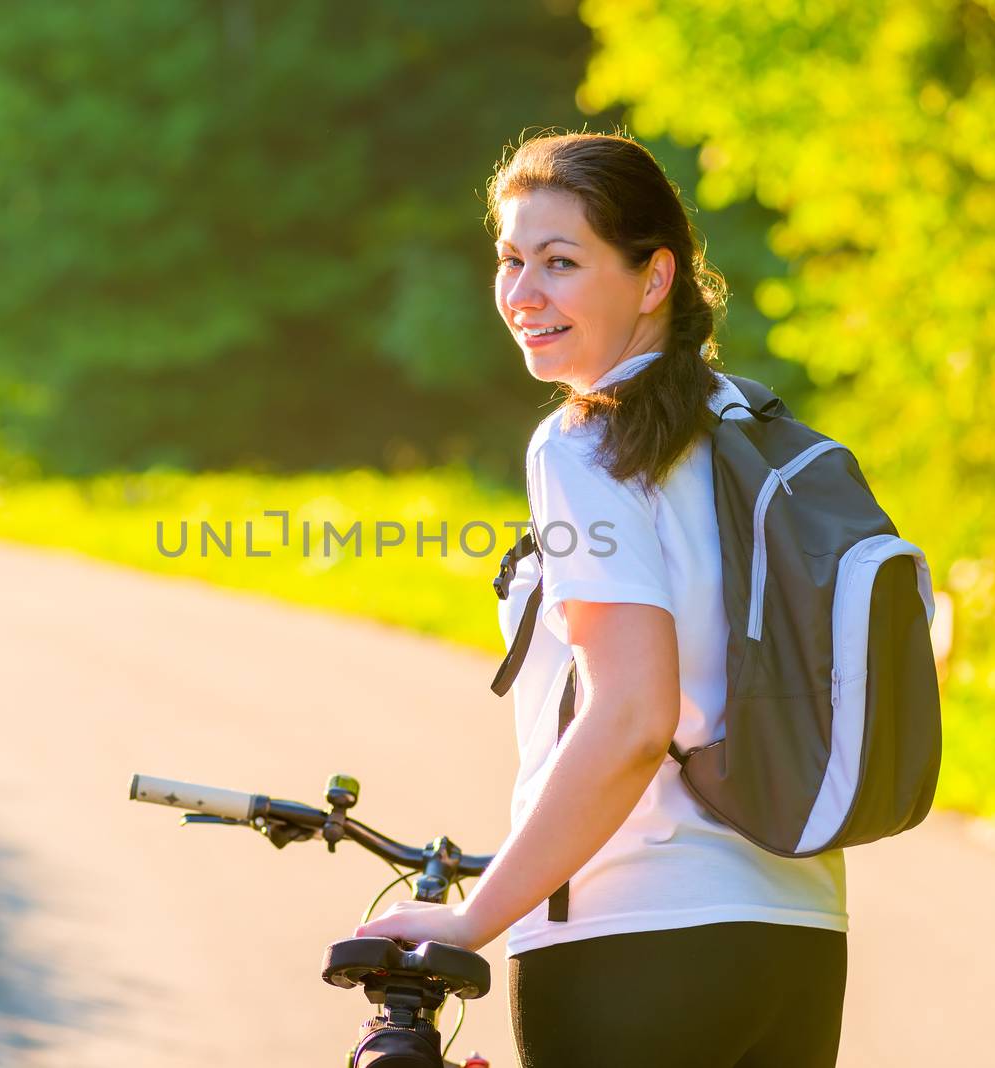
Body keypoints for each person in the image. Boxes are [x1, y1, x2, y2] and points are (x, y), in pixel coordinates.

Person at [353, 131, 850, 1066]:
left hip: (633, 940)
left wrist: (475, 915)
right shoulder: (752, 434)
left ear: (654, 278)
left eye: (561, 262)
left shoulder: (584, 445)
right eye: (510, 261)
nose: (523, 294)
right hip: (795, 936)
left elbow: (632, 713)